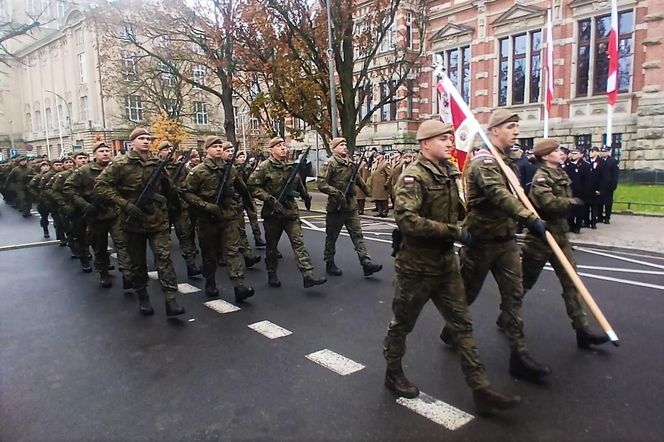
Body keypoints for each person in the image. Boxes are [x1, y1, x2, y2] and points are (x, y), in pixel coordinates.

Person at [383, 119, 521, 415]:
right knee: (402, 324)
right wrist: (453, 232)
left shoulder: (450, 172)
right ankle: (393, 371)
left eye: (449, 138)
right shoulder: (413, 176)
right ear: (425, 144)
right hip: (416, 268)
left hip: (445, 265)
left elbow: (459, 208)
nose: (449, 142)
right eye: (443, 138)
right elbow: (407, 221)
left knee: (462, 325)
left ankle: (480, 388)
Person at [451, 109, 551, 383]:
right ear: (495, 131)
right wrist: (530, 219)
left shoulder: (508, 161)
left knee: (514, 295)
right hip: (481, 243)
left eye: (517, 126)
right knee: (467, 294)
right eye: (510, 126)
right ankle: (451, 330)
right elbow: (498, 195)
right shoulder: (484, 162)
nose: (516, 131)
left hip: (506, 242)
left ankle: (518, 356)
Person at [521, 139, 610, 348]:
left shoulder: (561, 174)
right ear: (545, 156)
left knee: (572, 283)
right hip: (541, 240)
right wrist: (572, 202)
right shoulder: (541, 177)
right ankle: (507, 318)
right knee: (523, 284)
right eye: (556, 151)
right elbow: (548, 203)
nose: (561, 153)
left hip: (560, 237)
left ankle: (582, 331)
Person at [95, 127, 185, 317]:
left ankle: (171, 299)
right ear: (132, 142)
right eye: (141, 138)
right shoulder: (120, 163)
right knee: (137, 263)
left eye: (148, 138)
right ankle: (143, 296)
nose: (146, 141)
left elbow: (169, 189)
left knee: (164, 259)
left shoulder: (157, 163)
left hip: (157, 219)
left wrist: (177, 210)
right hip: (132, 222)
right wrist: (125, 204)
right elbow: (102, 186)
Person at [182, 137, 255, 303]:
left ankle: (239, 286)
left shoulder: (230, 169)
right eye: (215, 147)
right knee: (210, 255)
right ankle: (210, 282)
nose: (219, 149)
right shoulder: (198, 171)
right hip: (207, 220)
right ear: (206, 150)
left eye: (220, 146)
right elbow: (186, 193)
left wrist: (247, 203)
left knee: (232, 251)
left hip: (228, 217)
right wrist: (206, 206)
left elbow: (240, 187)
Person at [248, 137, 326, 289]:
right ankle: (272, 273)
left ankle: (307, 275)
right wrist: (270, 199)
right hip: (273, 214)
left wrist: (305, 196)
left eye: (284, 145)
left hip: (290, 213)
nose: (283, 148)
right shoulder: (264, 167)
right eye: (279, 146)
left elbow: (297, 183)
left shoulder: (291, 166)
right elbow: (252, 186)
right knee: (271, 247)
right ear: (272, 150)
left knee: (299, 244)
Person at [65, 141, 132, 289]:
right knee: (99, 247)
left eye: (107, 151)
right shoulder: (84, 171)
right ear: (94, 154)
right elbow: (69, 188)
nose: (105, 153)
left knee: (122, 243)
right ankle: (103, 273)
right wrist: (84, 205)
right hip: (95, 214)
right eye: (101, 151)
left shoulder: (117, 168)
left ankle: (127, 273)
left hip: (115, 212)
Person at [316, 137, 382, 277]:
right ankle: (329, 262)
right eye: (341, 145)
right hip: (336, 207)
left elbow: (358, 180)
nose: (345, 147)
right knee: (332, 237)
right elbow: (321, 184)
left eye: (345, 144)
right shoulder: (330, 163)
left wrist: (369, 194)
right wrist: (337, 193)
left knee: (357, 235)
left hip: (351, 206)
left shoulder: (350, 163)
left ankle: (366, 262)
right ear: (334, 148)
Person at [159, 141, 201, 278]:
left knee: (185, 236)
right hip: (162, 209)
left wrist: (180, 189)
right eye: (166, 149)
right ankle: (163, 270)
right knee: (162, 241)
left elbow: (191, 182)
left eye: (171, 148)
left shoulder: (181, 167)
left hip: (179, 206)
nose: (169, 151)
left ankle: (191, 265)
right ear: (160, 152)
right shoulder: (156, 167)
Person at [563, 147, 590, 233]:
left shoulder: (586, 165)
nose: (573, 155)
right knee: (569, 210)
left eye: (575, 153)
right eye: (572, 153)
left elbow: (588, 180)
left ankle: (578, 227)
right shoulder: (568, 165)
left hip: (580, 192)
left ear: (581, 155)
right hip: (570, 191)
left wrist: (586, 192)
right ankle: (570, 225)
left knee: (579, 210)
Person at [28, 161, 52, 238]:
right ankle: (45, 230)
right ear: (40, 167)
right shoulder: (38, 177)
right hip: (42, 200)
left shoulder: (53, 175)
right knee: (44, 217)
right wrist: (37, 196)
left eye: (47, 166)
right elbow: (31, 187)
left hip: (52, 200)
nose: (46, 167)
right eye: (44, 166)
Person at [599, 146, 619, 224]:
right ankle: (599, 216)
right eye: (602, 151)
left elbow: (615, 174)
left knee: (608, 202)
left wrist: (614, 185)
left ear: (608, 152)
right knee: (599, 202)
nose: (603, 153)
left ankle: (607, 217)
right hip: (600, 185)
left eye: (605, 151)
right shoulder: (599, 161)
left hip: (609, 185)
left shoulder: (613, 161)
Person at [369, 152, 391, 217]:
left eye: (378, 155)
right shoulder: (376, 163)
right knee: (377, 199)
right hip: (376, 184)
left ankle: (384, 212)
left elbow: (389, 174)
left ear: (382, 155)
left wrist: (387, 183)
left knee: (383, 199)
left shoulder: (385, 163)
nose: (376, 156)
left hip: (382, 184)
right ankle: (380, 211)